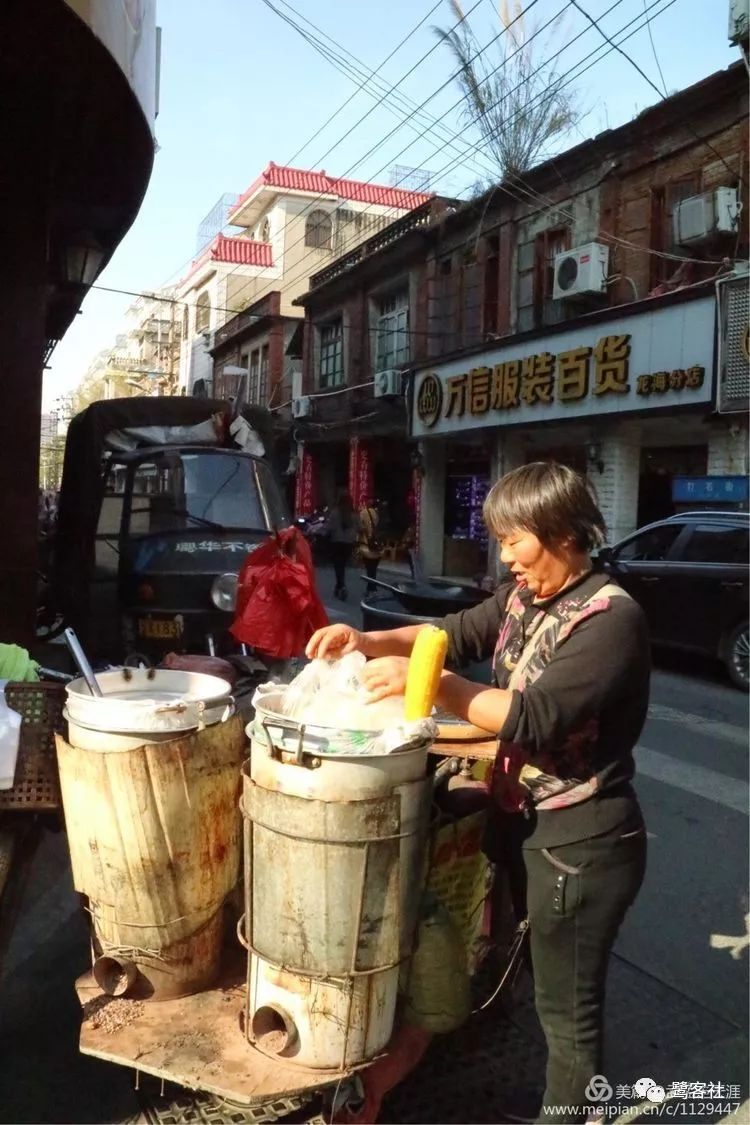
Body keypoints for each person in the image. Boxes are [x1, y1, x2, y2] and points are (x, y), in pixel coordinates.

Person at [307, 462, 650, 1124]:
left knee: (569, 1012)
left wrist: (435, 683)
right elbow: (453, 633)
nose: (505, 556)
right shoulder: (526, 596)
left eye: (515, 539)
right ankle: (559, 1100)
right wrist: (367, 640)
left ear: (562, 532)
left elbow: (533, 716)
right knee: (533, 976)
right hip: (527, 823)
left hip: (583, 843)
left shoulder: (612, 619)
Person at [326, 490, 358, 600]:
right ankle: (339, 586)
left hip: (337, 542)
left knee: (338, 565)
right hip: (349, 543)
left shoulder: (335, 513)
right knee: (342, 565)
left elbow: (330, 528)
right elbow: (359, 527)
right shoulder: (353, 514)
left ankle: (341, 585)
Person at [358, 498, 383, 582]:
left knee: (369, 567)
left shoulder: (363, 512)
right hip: (377, 543)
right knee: (374, 567)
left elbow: (360, 527)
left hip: (367, 543)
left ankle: (370, 587)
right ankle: (373, 584)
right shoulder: (377, 513)